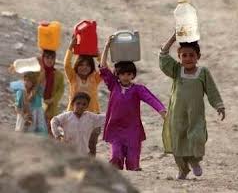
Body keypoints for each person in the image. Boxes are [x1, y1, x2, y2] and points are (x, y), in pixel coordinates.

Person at [159, 32, 225, 179]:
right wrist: (172, 38)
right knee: (178, 142)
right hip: (177, 116)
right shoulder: (176, 70)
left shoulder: (203, 72)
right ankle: (183, 169)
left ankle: (194, 161)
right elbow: (163, 58)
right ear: (179, 57)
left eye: (191, 55)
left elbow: (212, 90)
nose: (188, 58)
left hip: (196, 116)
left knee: (197, 138)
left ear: (198, 57)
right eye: (184, 55)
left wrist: (219, 105)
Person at [99, 36, 166, 171]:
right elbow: (103, 67)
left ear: (133, 75)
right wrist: (106, 47)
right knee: (115, 156)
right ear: (117, 74)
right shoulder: (113, 85)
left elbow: (151, 99)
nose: (125, 77)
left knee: (132, 161)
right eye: (122, 74)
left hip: (132, 130)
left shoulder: (138, 89)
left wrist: (162, 111)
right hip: (115, 128)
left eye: (129, 74)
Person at [64, 36, 103, 156]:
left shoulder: (95, 78)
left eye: (87, 65)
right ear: (77, 65)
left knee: (91, 145)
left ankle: (90, 170)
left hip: (92, 115)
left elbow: (105, 70)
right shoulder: (73, 77)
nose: (84, 67)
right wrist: (70, 48)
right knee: (73, 144)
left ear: (91, 67)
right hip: (73, 115)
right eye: (81, 64)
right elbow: (66, 65)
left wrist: (98, 56)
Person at [50, 92, 105, 156]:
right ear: (72, 104)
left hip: (84, 153)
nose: (81, 106)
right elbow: (54, 121)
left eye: (84, 104)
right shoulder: (67, 116)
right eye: (78, 103)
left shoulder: (91, 117)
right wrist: (57, 135)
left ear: (87, 106)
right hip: (68, 152)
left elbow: (107, 118)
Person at [41, 50, 64, 135]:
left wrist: (52, 100)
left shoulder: (59, 75)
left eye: (52, 58)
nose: (49, 60)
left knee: (50, 131)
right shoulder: (38, 73)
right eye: (47, 57)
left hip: (51, 107)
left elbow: (60, 90)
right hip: (38, 106)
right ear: (43, 58)